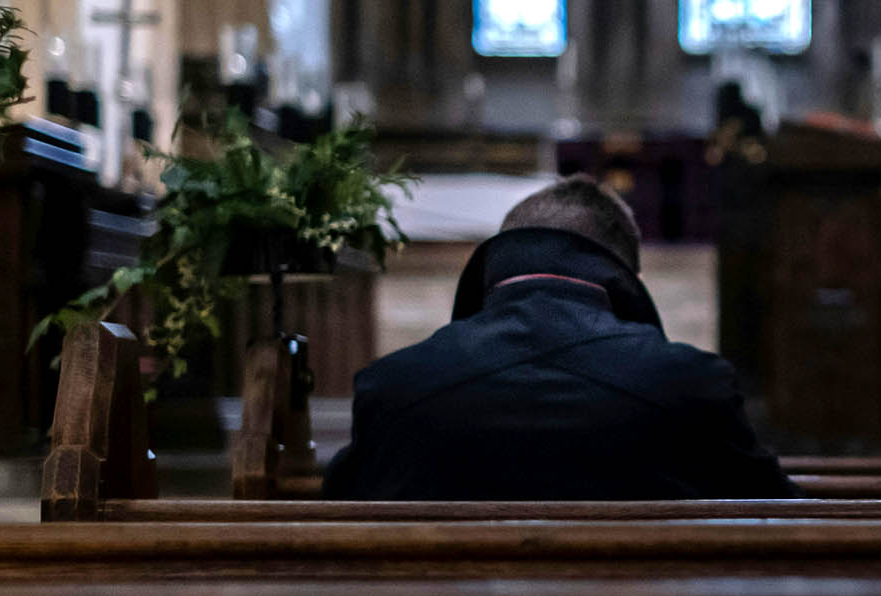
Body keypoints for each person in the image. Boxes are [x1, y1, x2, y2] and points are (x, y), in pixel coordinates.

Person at [325, 174, 799, 500]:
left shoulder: (393, 389)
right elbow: (783, 522)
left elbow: (336, 524)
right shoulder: (694, 386)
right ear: (621, 277)